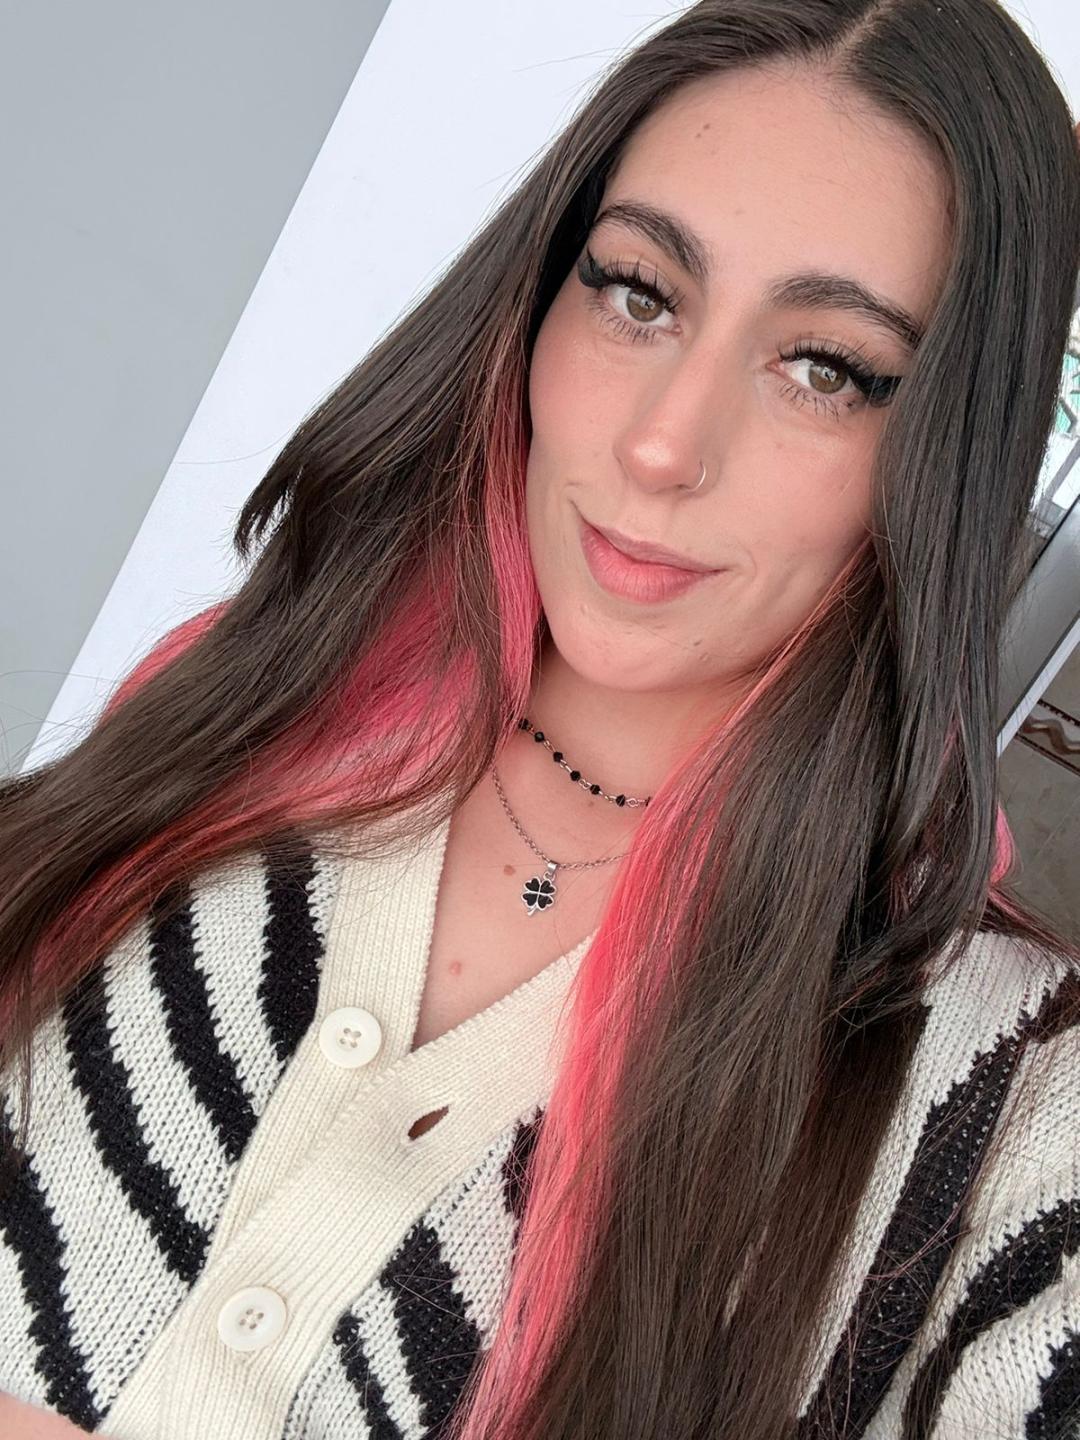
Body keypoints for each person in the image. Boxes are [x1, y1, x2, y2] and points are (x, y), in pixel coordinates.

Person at [1, 1, 1079, 1437]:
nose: (661, 442)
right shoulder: (233, 715)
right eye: (639, 293)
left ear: (950, 457)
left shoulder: (1013, 1105)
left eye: (826, 368)